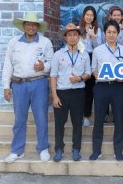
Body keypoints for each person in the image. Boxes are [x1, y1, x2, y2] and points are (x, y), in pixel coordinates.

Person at [2, 12, 54, 163]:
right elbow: (8, 65)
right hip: (19, 85)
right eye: (28, 24)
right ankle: (17, 150)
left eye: (34, 24)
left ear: (38, 27)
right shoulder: (13, 42)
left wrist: (44, 66)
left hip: (39, 83)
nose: (31, 27)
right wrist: (6, 86)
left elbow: (52, 63)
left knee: (41, 118)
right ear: (23, 26)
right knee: (19, 119)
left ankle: (43, 148)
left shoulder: (45, 42)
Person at [89, 20, 123, 161]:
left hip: (118, 88)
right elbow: (93, 69)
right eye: (109, 32)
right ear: (104, 33)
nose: (111, 35)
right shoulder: (97, 50)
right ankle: (96, 150)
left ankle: (118, 151)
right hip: (101, 87)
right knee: (99, 119)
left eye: (114, 32)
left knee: (119, 118)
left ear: (118, 34)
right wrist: (95, 74)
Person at [50, 23, 91, 162]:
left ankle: (76, 149)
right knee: (59, 123)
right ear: (65, 37)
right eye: (70, 35)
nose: (73, 37)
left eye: (75, 35)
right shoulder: (58, 55)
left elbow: (88, 73)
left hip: (78, 92)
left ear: (79, 37)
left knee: (77, 123)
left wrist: (79, 78)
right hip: (62, 93)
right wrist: (54, 96)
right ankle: (59, 149)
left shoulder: (84, 54)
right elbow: (53, 76)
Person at [104, 5, 123, 123]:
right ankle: (105, 113)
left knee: (118, 94)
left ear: (122, 16)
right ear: (110, 16)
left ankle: (116, 115)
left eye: (119, 15)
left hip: (120, 57)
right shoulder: (106, 28)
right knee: (104, 92)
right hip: (107, 59)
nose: (117, 17)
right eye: (114, 15)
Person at [79, 6, 102, 127]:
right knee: (79, 89)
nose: (89, 17)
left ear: (94, 17)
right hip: (79, 59)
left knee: (89, 89)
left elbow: (99, 48)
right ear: (83, 15)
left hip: (92, 58)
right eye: (87, 14)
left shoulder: (98, 30)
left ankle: (86, 116)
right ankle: (78, 114)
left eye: (91, 15)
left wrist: (93, 36)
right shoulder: (78, 29)